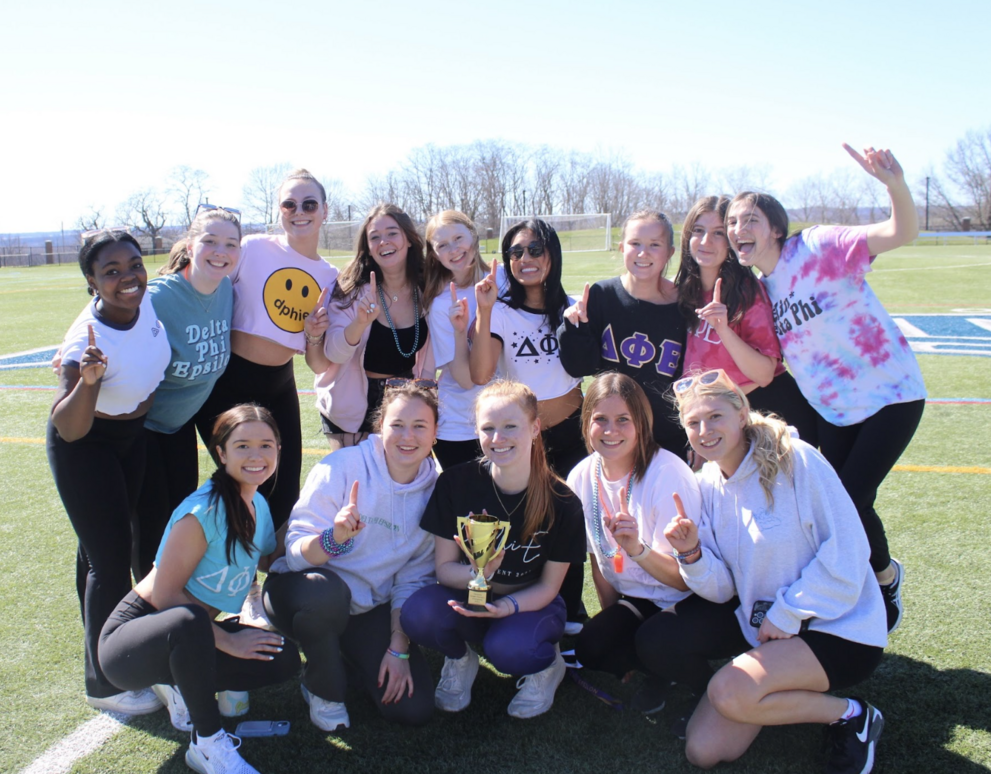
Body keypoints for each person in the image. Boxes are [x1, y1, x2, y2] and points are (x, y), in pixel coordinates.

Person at [639, 369, 887, 772]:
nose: (705, 430)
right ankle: (768, 696)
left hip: (837, 628)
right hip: (770, 633)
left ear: (741, 413)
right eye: (693, 423)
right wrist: (692, 554)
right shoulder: (706, 485)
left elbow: (848, 552)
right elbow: (721, 591)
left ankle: (852, 716)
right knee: (702, 751)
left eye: (714, 416)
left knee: (729, 692)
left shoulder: (796, 457)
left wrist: (788, 612)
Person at [726, 144, 925, 632]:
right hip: (835, 412)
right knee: (844, 501)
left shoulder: (818, 246)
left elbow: (901, 232)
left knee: (848, 501)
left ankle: (875, 586)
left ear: (776, 227)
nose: (737, 231)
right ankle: (879, 576)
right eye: (732, 222)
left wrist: (893, 184)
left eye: (749, 220)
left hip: (889, 396)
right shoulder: (758, 289)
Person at [99, 405, 300, 774]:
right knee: (189, 619)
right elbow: (164, 595)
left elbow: (269, 560)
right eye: (242, 446)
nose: (256, 456)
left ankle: (176, 682)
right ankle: (208, 744)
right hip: (132, 644)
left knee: (283, 658)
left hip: (191, 637)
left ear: (278, 450)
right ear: (221, 453)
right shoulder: (203, 511)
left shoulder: (257, 504)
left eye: (266, 445)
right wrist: (229, 640)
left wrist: (327, 529)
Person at [401, 381, 586, 719]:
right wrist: (478, 572)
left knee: (509, 650)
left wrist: (507, 607)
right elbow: (444, 570)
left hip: (530, 603)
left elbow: (549, 587)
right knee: (418, 613)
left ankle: (547, 666)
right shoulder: (456, 483)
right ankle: (460, 659)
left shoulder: (563, 501)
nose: (498, 439)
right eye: (488, 428)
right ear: (476, 431)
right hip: (472, 595)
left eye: (510, 426)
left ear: (534, 428)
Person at [264, 382, 439, 729]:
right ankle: (322, 687)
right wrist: (333, 539)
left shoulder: (436, 491)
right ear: (380, 426)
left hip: (365, 608)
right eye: (397, 424)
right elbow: (295, 555)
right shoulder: (342, 466)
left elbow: (411, 579)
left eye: (420, 426)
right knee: (325, 595)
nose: (408, 436)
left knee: (412, 708)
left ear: (436, 433)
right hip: (303, 592)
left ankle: (343, 654)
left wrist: (398, 649)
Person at [47, 229, 171, 713]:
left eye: (134, 265)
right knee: (110, 560)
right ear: (91, 283)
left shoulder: (147, 301)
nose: (128, 278)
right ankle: (105, 685)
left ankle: (106, 645)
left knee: (102, 548)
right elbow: (70, 427)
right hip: (88, 446)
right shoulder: (86, 342)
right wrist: (90, 382)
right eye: (111, 272)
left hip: (132, 438)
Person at [196, 169, 338, 532]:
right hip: (229, 381)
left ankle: (272, 581)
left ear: (324, 210)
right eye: (289, 204)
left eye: (309, 203)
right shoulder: (255, 248)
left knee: (283, 489)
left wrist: (316, 336)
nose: (299, 211)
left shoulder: (330, 276)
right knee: (238, 483)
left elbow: (316, 361)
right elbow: (200, 286)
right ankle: (234, 582)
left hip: (280, 383)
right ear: (280, 210)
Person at [470, 219, 586, 625]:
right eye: (515, 253)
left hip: (574, 431)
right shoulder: (500, 312)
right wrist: (484, 312)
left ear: (552, 254)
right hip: (526, 440)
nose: (525, 259)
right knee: (534, 524)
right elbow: (482, 373)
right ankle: (525, 605)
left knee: (574, 521)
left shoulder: (570, 306)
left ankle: (573, 610)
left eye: (535, 249)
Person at [565, 373, 700, 713]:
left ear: (641, 422)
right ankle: (656, 659)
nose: (611, 431)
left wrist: (637, 548)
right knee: (593, 648)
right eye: (601, 420)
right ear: (586, 423)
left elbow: (686, 578)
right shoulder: (582, 476)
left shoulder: (666, 473)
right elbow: (598, 560)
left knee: (652, 641)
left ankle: (695, 681)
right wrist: (613, 628)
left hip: (689, 597)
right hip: (640, 598)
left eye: (623, 420)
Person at [137, 205, 239, 577]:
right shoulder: (160, 297)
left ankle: (168, 604)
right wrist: (72, 351)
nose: (220, 251)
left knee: (177, 518)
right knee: (145, 527)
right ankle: (143, 618)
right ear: (191, 244)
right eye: (210, 241)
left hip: (178, 427)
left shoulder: (225, 288)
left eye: (230, 244)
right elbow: (103, 312)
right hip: (139, 429)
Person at [675, 196, 818, 447]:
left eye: (718, 233)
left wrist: (724, 329)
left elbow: (764, 374)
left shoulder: (749, 293)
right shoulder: (682, 292)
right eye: (698, 231)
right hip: (715, 415)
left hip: (768, 411)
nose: (706, 241)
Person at [557, 210, 687, 455]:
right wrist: (574, 327)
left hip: (666, 437)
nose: (643, 252)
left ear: (670, 252)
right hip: (611, 434)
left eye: (654, 245)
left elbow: (690, 377)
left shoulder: (684, 304)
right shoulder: (602, 295)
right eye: (635, 243)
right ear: (621, 247)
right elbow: (579, 367)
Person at [312, 203, 434, 451]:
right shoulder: (351, 290)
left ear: (408, 239)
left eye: (392, 233)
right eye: (374, 237)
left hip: (404, 400)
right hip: (353, 403)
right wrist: (359, 323)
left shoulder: (427, 289)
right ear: (368, 247)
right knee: (358, 483)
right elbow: (333, 354)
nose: (384, 242)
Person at [423, 210, 506, 469]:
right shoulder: (441, 305)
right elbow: (465, 380)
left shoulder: (505, 280)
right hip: (461, 427)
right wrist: (460, 332)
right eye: (443, 245)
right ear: (435, 254)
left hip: (507, 420)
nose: (454, 249)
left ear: (474, 235)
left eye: (459, 237)